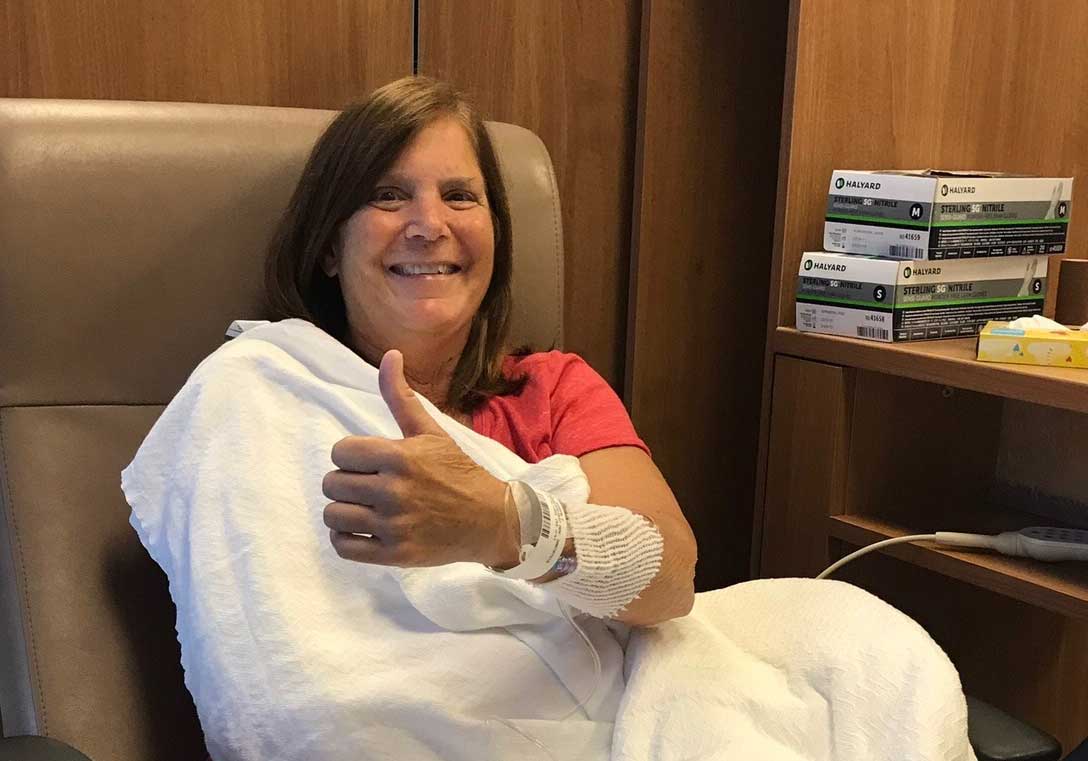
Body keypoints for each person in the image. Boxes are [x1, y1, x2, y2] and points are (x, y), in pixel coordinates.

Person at [264, 75, 696, 627]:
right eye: (387, 195)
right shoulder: (267, 388)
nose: (429, 225)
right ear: (328, 245)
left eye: (459, 196)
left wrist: (503, 527)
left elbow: (671, 584)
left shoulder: (554, 390)